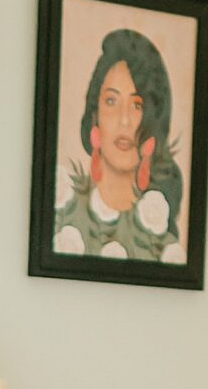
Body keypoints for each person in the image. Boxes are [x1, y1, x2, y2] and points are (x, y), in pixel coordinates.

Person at [54, 26, 184, 260]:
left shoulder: (165, 248)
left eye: (137, 105)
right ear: (95, 115)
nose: (124, 120)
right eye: (111, 101)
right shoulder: (62, 215)